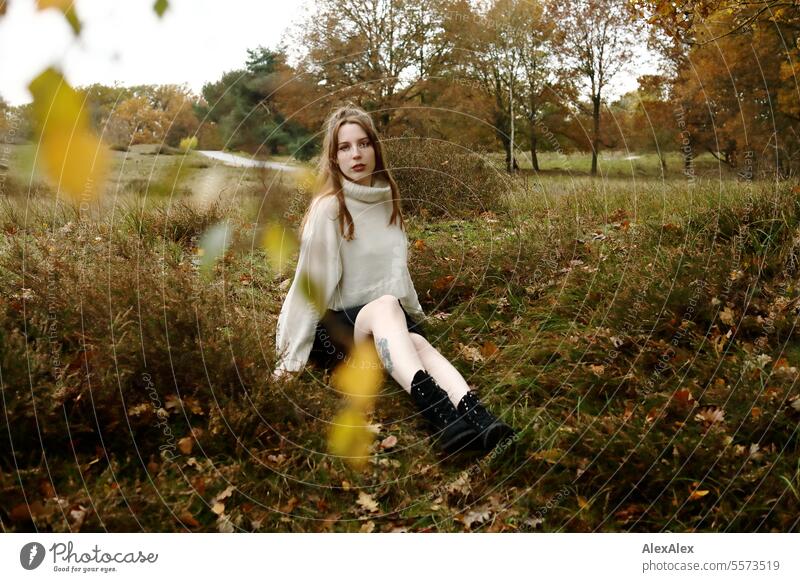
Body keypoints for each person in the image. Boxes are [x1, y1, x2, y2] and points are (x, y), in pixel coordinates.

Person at [273, 104, 515, 454]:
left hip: (381, 326)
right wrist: (290, 358)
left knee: (418, 343)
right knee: (387, 307)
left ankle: (475, 415)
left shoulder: (388, 199)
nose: (356, 154)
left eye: (364, 143)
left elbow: (395, 270)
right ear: (334, 158)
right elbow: (309, 286)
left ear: (376, 148)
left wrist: (415, 315)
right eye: (345, 147)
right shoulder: (329, 209)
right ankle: (438, 413)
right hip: (337, 331)